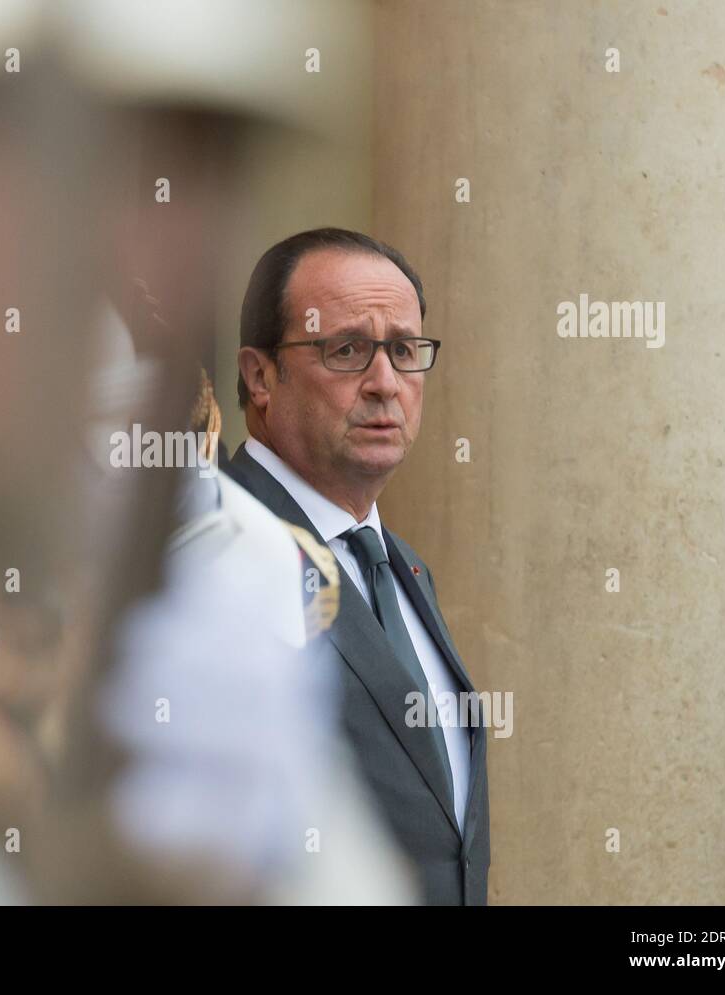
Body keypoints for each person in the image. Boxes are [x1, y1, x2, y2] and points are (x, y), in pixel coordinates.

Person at [228, 227, 490, 905]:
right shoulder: (217, 548)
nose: (384, 383)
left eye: (404, 351)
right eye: (346, 350)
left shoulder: (402, 567)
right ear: (260, 376)